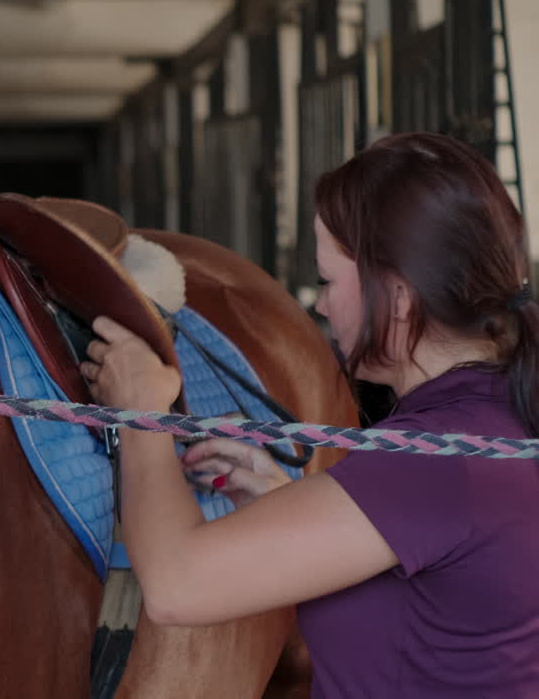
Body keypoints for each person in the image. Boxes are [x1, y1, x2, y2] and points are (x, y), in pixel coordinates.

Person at [80, 131, 539, 697]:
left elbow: (178, 585)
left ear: (398, 297)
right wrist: (287, 507)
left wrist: (141, 412)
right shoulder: (492, 423)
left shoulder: (432, 459)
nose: (320, 304)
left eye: (328, 281)